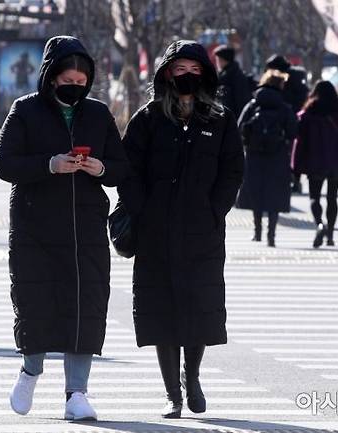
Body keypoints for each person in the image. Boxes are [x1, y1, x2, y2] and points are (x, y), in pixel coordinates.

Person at [0, 36, 128, 421]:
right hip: (35, 228)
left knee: (84, 307)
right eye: (67, 78)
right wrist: (49, 164)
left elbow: (121, 167)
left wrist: (99, 168)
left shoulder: (98, 115)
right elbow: (3, 163)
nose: (75, 85)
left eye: (82, 80)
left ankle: (77, 394)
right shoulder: (25, 111)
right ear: (51, 78)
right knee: (36, 306)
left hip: (85, 228)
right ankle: (30, 372)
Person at [118, 40, 244, 418]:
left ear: (204, 74)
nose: (187, 76)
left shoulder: (219, 119)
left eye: (194, 70)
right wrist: (143, 210)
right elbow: (128, 170)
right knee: (161, 313)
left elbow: (232, 170)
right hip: (155, 233)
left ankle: (193, 377)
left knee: (198, 309)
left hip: (202, 234)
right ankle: (172, 392)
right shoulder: (149, 118)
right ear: (166, 73)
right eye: (179, 69)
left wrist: (214, 210)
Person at [292, 81, 338, 248]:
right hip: (335, 161)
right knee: (333, 198)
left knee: (314, 197)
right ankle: (330, 234)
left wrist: (295, 166)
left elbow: (299, 142)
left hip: (314, 161)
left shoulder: (307, 113)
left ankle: (319, 225)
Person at [236, 69, 298, 247]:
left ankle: (257, 232)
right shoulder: (284, 107)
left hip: (254, 154)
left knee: (256, 192)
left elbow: (240, 127)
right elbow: (293, 131)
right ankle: (271, 235)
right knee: (274, 194)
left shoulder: (253, 104)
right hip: (277, 155)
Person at [266, 54, 309, 194]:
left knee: (287, 152)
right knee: (294, 153)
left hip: (285, 118)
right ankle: (295, 181)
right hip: (298, 119)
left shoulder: (283, 79)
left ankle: (290, 180)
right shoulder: (298, 78)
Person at [213, 45, 252, 119]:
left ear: (224, 60)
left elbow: (241, 101)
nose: (217, 62)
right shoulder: (223, 75)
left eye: (218, 59)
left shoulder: (236, 77)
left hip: (233, 120)